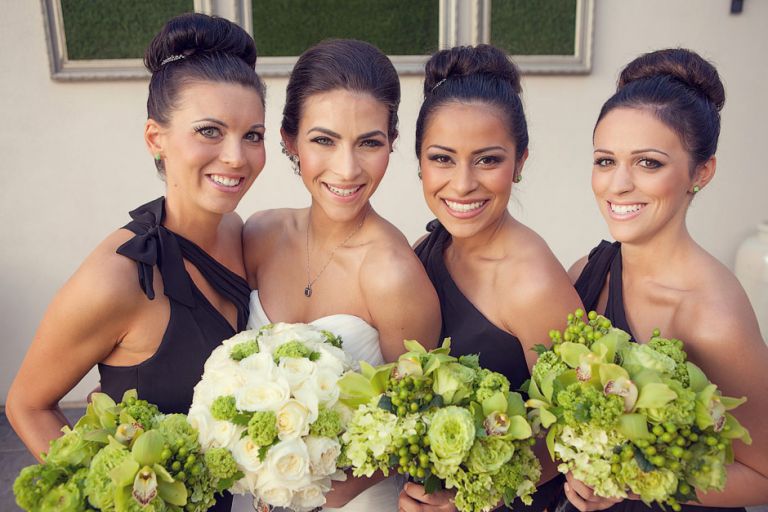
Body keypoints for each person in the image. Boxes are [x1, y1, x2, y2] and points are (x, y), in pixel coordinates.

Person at [6, 13, 267, 511]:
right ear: (155, 138)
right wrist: (104, 496)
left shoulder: (237, 232)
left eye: (252, 135)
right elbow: (27, 404)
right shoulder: (119, 277)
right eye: (209, 131)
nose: (237, 156)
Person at [236, 39, 441, 512]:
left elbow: (415, 425)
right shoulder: (260, 235)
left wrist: (303, 495)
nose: (347, 169)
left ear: (391, 143)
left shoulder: (394, 274)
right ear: (290, 140)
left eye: (369, 142)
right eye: (324, 140)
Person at [564, 48, 768, 511]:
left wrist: (630, 480)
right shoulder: (587, 271)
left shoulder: (714, 315)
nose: (618, 185)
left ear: (702, 172)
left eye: (648, 163)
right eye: (605, 161)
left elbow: (764, 475)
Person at [401, 44, 583, 512]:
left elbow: (574, 433)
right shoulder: (426, 248)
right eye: (442, 158)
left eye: (487, 160)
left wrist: (470, 497)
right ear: (419, 161)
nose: (463, 184)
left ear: (520, 163)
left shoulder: (533, 283)